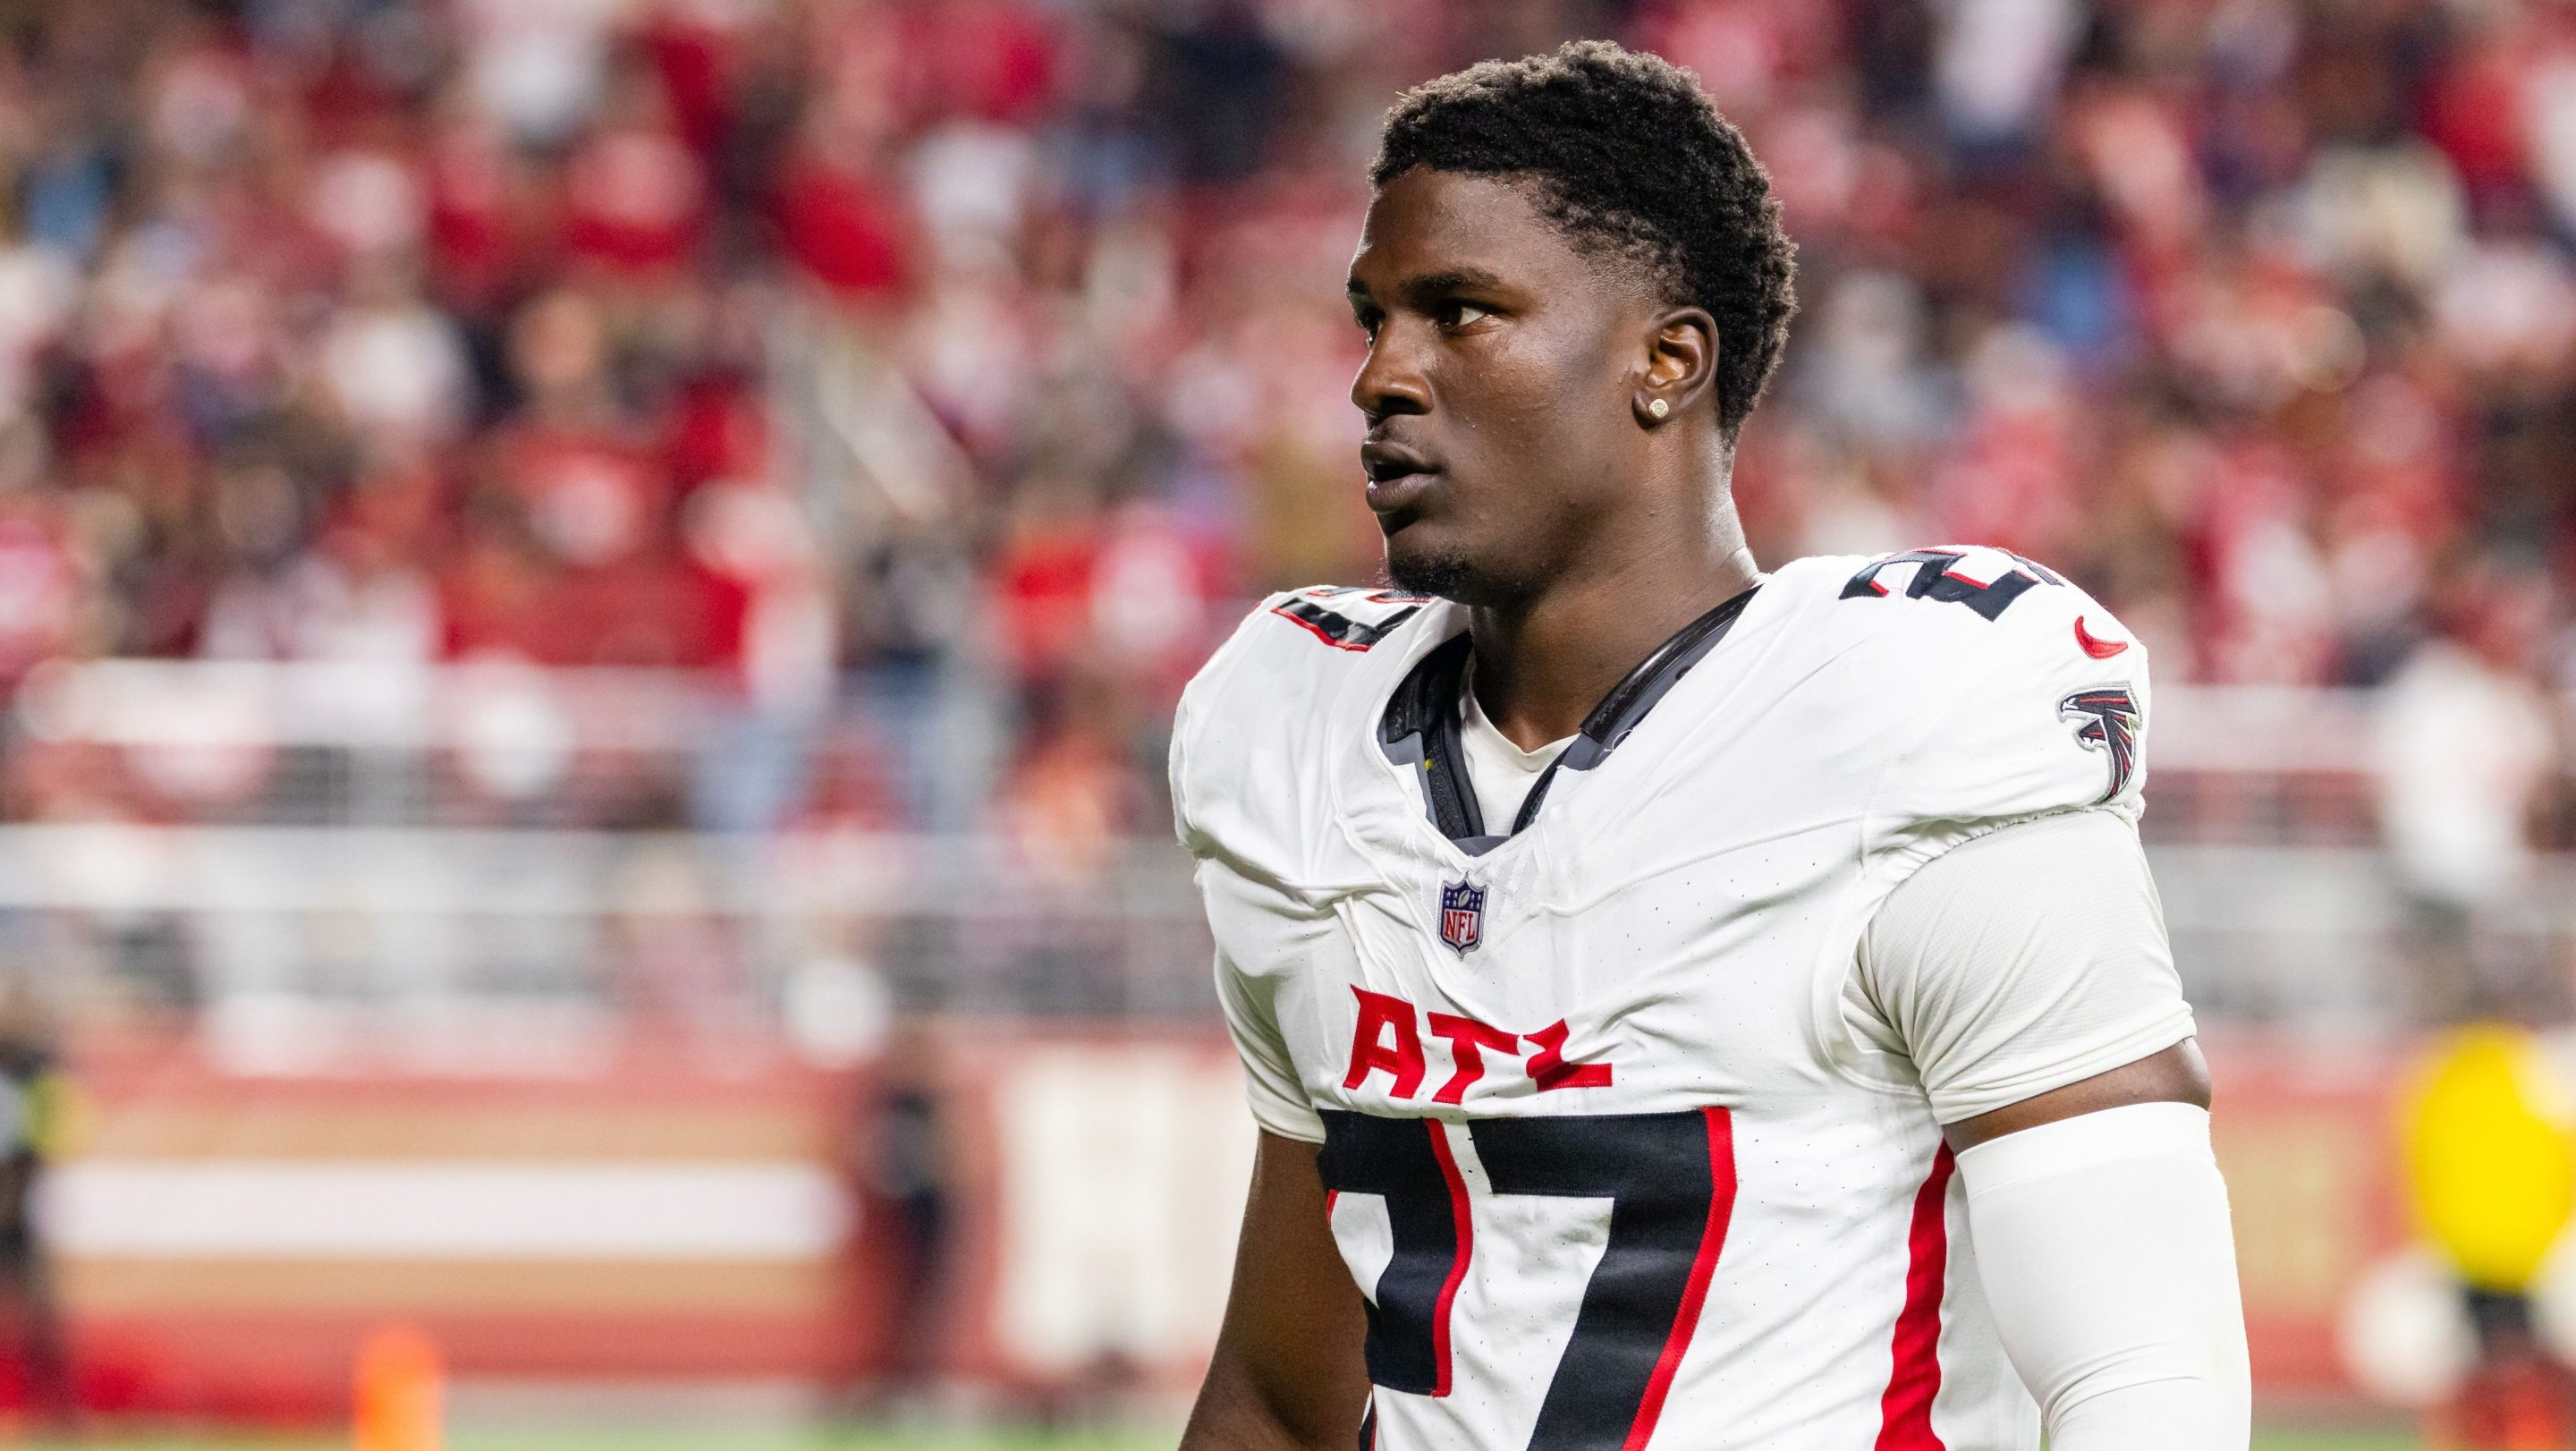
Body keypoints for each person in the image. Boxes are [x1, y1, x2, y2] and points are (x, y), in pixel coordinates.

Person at [1167, 41, 2249, 1451]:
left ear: (1668, 362)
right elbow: (1279, 1395)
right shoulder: (1300, 742)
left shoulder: (1903, 725)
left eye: (1462, 313)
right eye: (1374, 318)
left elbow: (2143, 1382)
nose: (1382, 375)